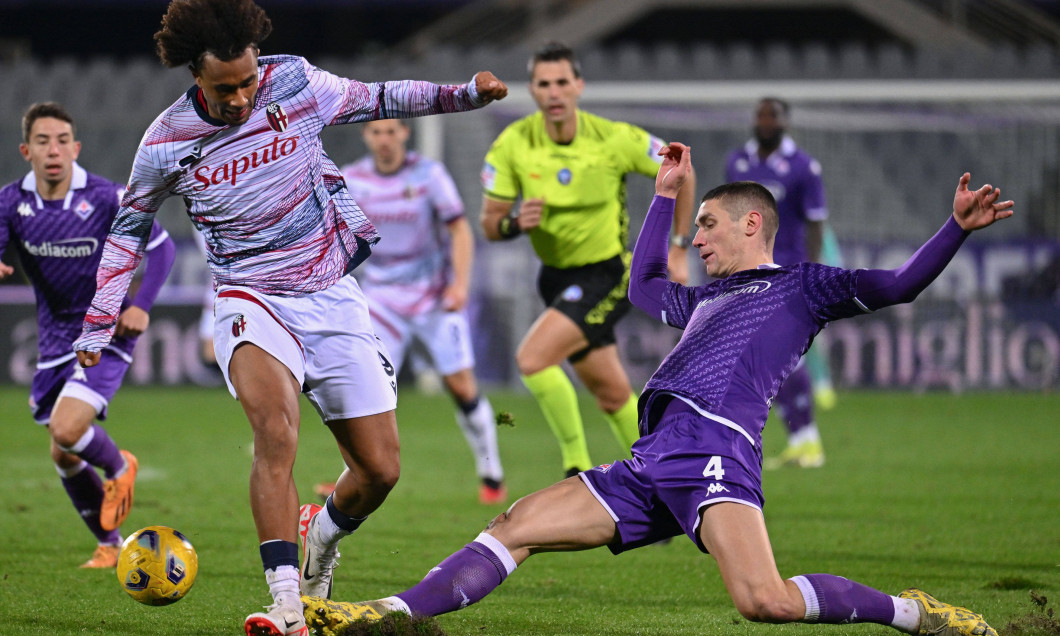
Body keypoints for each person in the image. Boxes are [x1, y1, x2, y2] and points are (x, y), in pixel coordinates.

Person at [304, 142, 1005, 636]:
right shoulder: (707, 298)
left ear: (751, 223)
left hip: (714, 450)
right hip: (654, 457)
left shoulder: (804, 287)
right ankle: (384, 616)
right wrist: (666, 199)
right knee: (514, 525)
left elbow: (899, 285)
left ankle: (914, 614)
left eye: (706, 225)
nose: (696, 238)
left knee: (764, 600)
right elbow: (642, 285)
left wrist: (955, 228)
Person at [70, 1, 508, 634]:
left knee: (381, 469)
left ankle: (321, 536)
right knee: (275, 431)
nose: (242, 97)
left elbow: (379, 97)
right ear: (197, 75)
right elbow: (128, 229)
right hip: (250, 296)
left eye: (248, 81)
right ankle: (285, 605)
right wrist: (100, 318)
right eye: (226, 88)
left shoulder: (295, 81)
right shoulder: (165, 142)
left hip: (330, 290)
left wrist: (465, 94)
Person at [480, 42, 695, 477]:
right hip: (555, 279)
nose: (554, 92)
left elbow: (681, 171)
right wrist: (516, 223)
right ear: (533, 91)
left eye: (562, 82)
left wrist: (677, 246)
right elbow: (490, 223)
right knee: (613, 393)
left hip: (609, 273)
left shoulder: (613, 138)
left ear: (578, 85)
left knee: (533, 359)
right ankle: (667, 479)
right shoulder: (513, 144)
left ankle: (575, 466)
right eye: (544, 84)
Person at [0, 102, 175, 568]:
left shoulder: (104, 197)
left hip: (106, 328)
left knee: (67, 428)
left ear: (75, 148)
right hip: (54, 338)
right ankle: (110, 544)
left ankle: (120, 466)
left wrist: (139, 306)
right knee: (63, 452)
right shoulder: (9, 203)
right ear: (26, 150)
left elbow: (161, 247)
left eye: (61, 141)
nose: (53, 150)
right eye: (42, 141)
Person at [333, 118, 507, 505]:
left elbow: (460, 230)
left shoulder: (429, 175)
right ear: (366, 136)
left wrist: (460, 284)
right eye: (376, 132)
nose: (384, 139)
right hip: (380, 300)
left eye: (391, 131)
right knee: (366, 388)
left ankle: (491, 472)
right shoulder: (351, 179)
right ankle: (351, 476)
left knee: (461, 386)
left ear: (404, 134)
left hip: (433, 297)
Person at [725, 96, 832, 469]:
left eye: (773, 115)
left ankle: (805, 441)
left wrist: (813, 273)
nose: (765, 121)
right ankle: (803, 441)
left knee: (776, 355)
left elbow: (815, 222)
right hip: (748, 273)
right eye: (760, 114)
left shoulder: (804, 168)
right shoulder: (738, 162)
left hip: (787, 272)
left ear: (786, 120)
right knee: (773, 357)